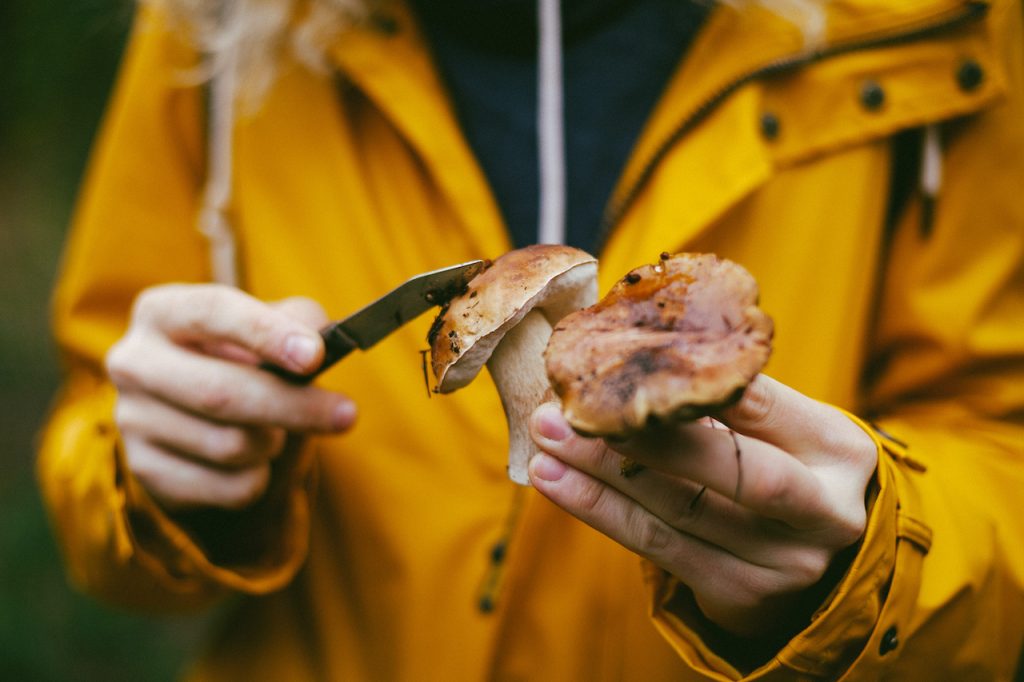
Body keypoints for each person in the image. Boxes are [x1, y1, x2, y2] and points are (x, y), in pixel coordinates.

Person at [38, 0, 1024, 679]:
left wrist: (869, 568)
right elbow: (95, 432)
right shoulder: (217, 23)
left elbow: (999, 434)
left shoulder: (925, 21)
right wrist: (164, 469)